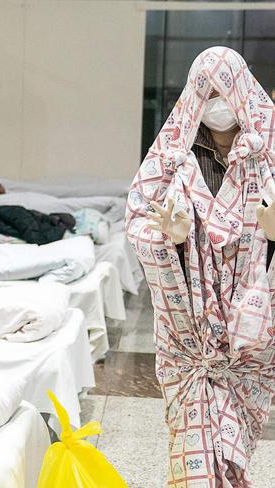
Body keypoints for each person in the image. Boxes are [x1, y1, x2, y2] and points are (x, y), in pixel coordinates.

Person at [126, 46, 275, 486]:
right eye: (205, 90)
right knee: (191, 452)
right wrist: (170, 240)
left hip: (249, 340)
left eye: (223, 89)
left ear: (244, 91)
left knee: (234, 448)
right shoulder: (172, 156)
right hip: (188, 340)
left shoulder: (269, 158)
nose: (216, 102)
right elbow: (137, 219)